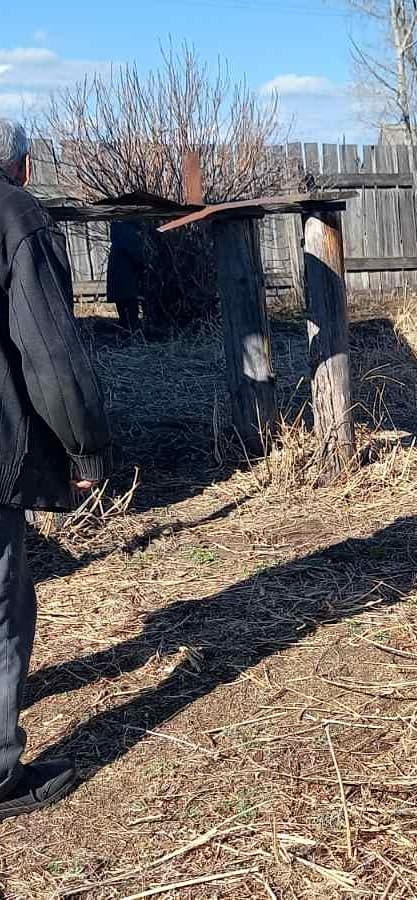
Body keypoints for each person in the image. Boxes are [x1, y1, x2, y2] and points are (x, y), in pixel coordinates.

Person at [0, 119, 113, 819]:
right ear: (24, 164)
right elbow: (49, 352)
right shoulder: (16, 215)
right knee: (1, 607)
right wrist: (85, 446)